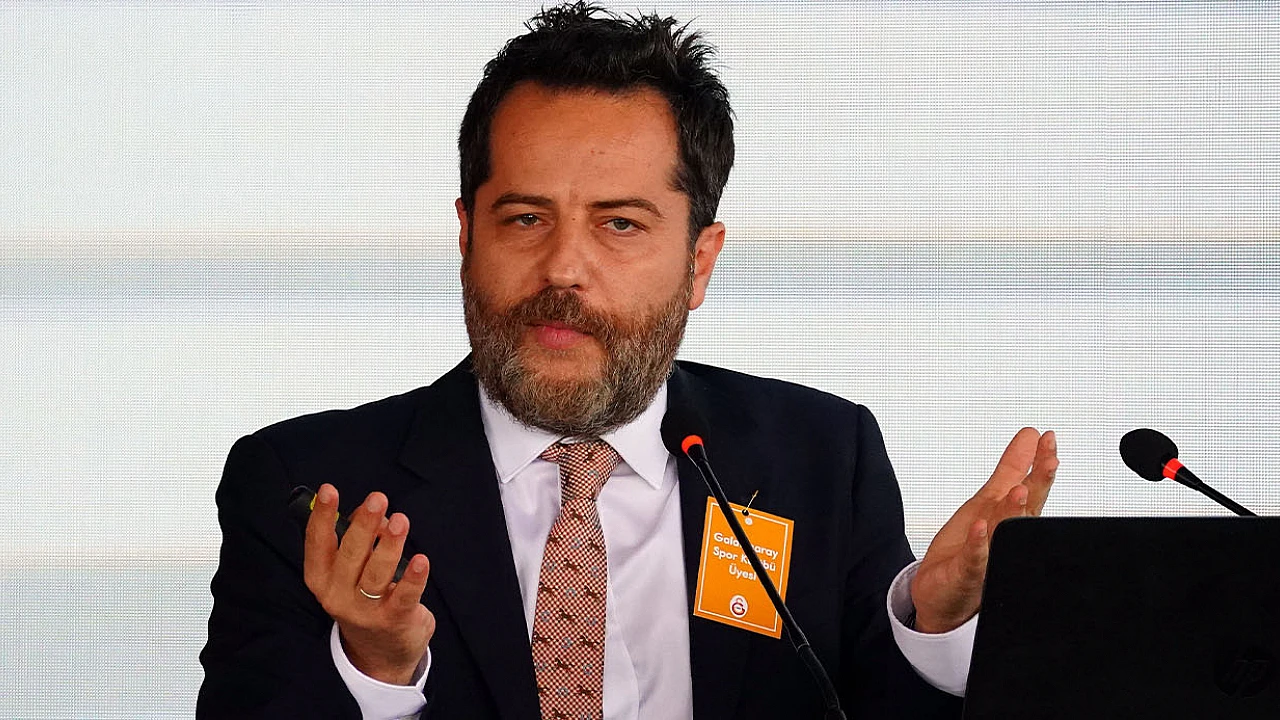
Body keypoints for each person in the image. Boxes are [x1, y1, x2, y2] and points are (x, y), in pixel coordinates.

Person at [197, 4, 1057, 719]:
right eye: (525, 219)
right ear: (466, 235)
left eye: (620, 224)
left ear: (699, 261)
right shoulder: (307, 484)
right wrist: (377, 672)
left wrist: (934, 624)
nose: (563, 269)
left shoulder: (820, 457)